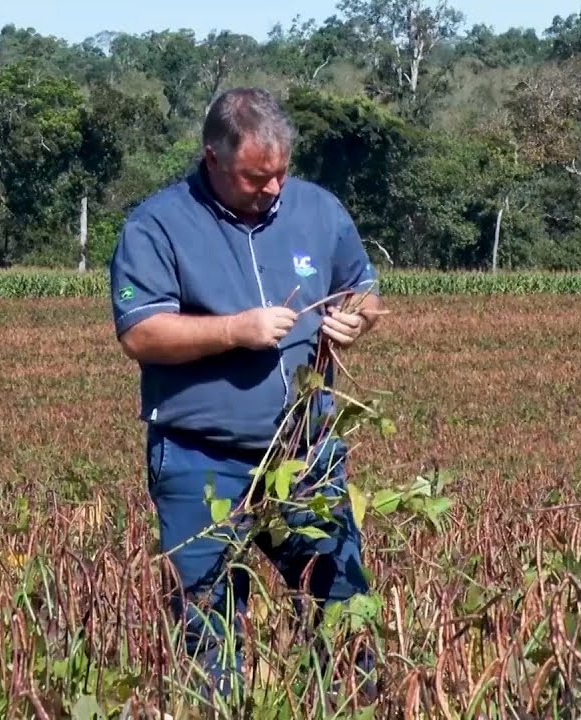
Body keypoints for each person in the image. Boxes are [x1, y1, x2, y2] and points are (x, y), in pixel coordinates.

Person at [108, 87, 385, 706]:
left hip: (307, 458)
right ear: (212, 158)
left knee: (343, 615)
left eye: (281, 172)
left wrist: (357, 319)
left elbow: (363, 290)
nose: (273, 188)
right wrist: (236, 329)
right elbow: (141, 333)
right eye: (256, 177)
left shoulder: (318, 209)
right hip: (200, 459)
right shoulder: (156, 225)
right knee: (208, 632)